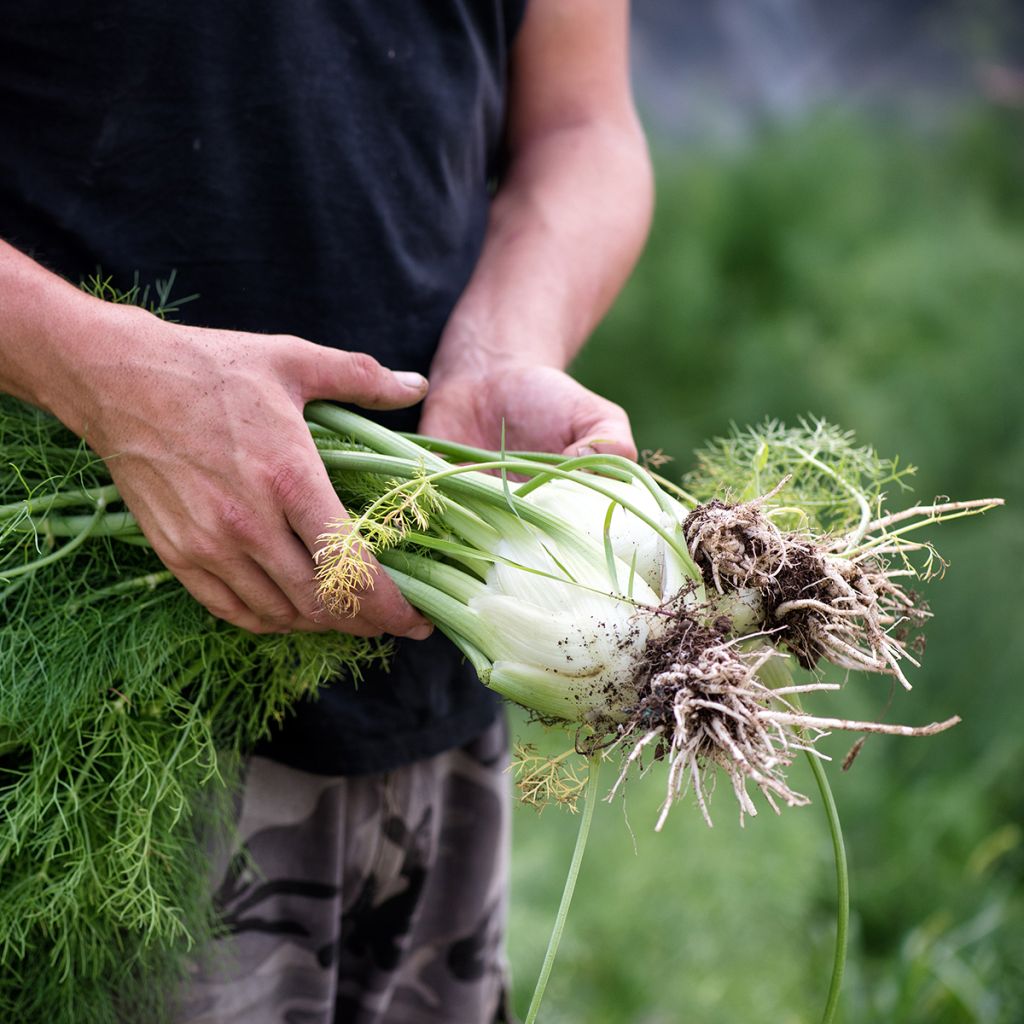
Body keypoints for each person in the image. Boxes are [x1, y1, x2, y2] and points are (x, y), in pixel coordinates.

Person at [0, 2, 652, 1021]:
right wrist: (96, 372)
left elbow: (583, 127)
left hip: (440, 691)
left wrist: (505, 345)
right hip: (78, 724)